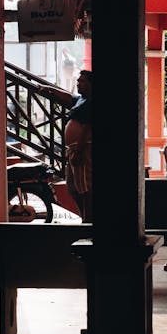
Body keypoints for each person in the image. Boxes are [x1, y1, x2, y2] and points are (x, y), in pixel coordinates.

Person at [39, 70, 93, 222]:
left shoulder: (91, 101)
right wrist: (49, 89)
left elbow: (86, 127)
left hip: (82, 149)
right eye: (78, 81)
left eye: (82, 81)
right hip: (73, 149)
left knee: (84, 187)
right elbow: (68, 97)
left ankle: (88, 219)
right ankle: (85, 216)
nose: (78, 83)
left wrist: (80, 150)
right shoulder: (81, 99)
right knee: (73, 187)